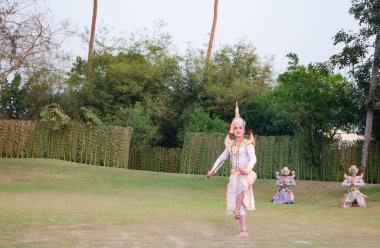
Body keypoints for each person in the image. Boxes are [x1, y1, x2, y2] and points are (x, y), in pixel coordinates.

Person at [207, 102, 257, 238]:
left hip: (247, 174)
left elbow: (253, 159)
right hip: (235, 176)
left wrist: (246, 170)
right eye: (236, 128)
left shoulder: (248, 143)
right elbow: (222, 158)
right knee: (238, 200)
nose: (238, 130)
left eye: (241, 128)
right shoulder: (230, 144)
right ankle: (244, 231)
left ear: (244, 130)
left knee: (242, 186)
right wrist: (213, 170)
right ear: (232, 130)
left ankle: (236, 209)